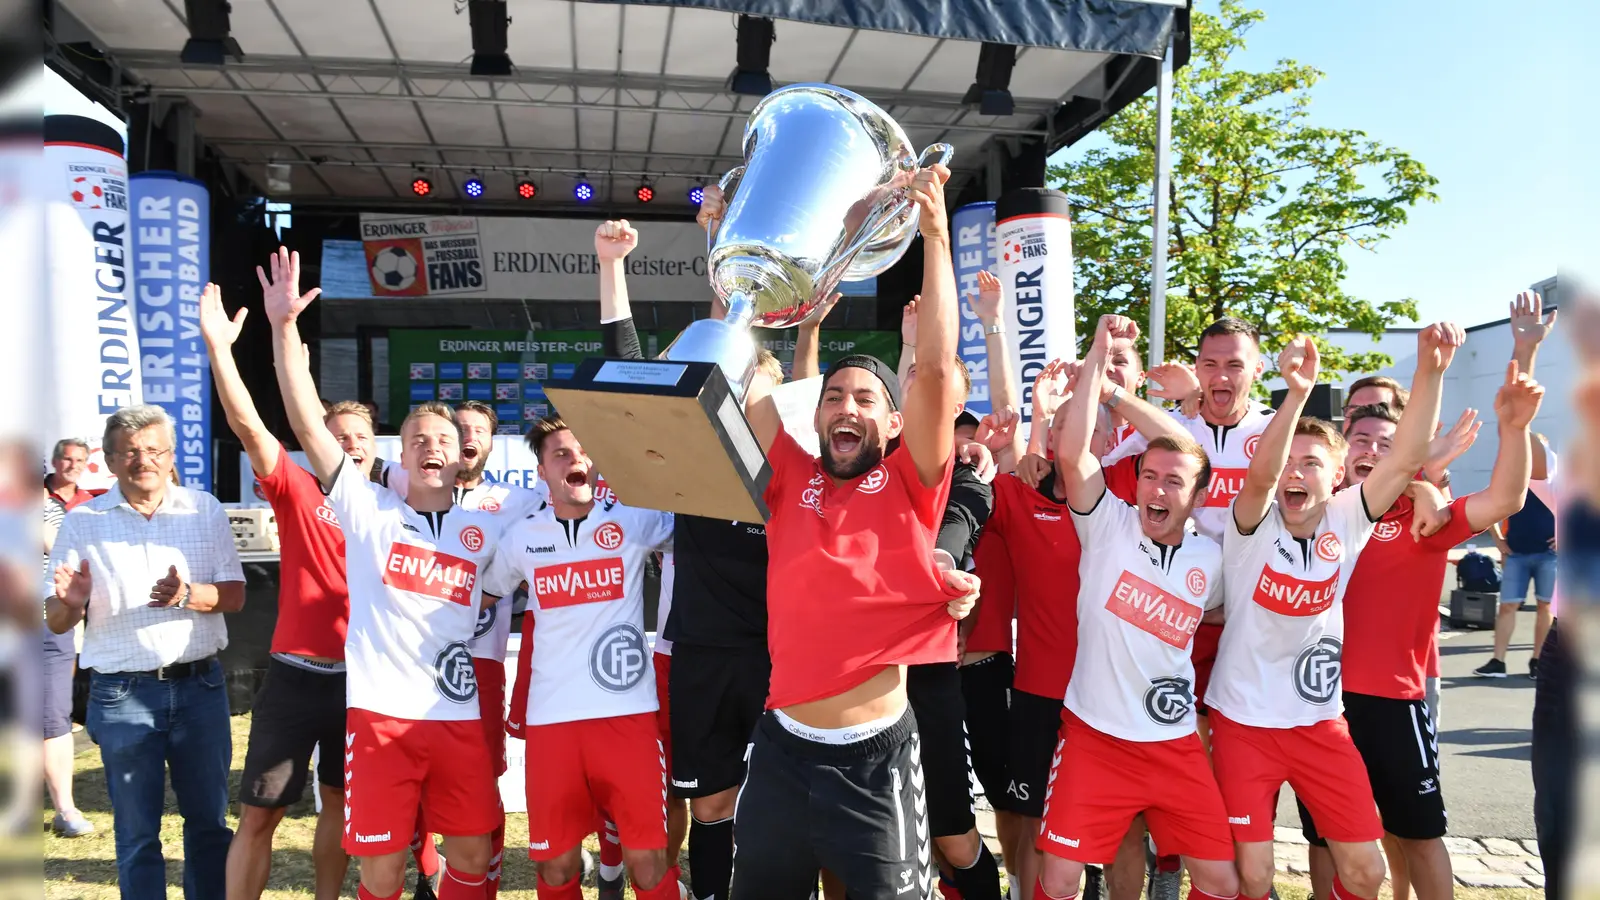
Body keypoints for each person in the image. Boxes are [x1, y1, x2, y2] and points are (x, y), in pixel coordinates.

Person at [729, 163, 980, 898]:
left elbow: (936, 368)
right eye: (835, 395)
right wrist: (762, 269)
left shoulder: (911, 480)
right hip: (780, 749)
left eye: (866, 398)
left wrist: (935, 235)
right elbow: (749, 372)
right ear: (816, 414)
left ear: (895, 423)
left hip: (875, 760)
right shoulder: (788, 474)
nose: (847, 406)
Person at [264, 246, 504, 900]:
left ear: (462, 457)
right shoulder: (368, 509)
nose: (432, 446)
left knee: (474, 855)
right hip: (379, 720)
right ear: (402, 454)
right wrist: (284, 330)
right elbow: (307, 424)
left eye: (443, 440)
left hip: (455, 716)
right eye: (419, 439)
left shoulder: (488, 529)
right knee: (383, 870)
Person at [1206, 325, 1460, 900]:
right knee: (1254, 876)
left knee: (1366, 872)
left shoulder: (1348, 518)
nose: (1295, 473)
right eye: (1288, 461)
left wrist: (1431, 371)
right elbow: (1261, 475)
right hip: (1243, 723)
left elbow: (1405, 458)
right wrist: (1297, 394)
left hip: (1319, 724)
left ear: (1338, 475)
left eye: (1312, 463)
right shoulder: (1253, 524)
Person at [594, 215, 776, 900]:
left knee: (777, 801)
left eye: (754, 386)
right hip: (697, 654)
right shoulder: (687, 466)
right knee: (704, 804)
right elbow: (628, 380)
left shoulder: (792, 475)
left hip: (777, 657)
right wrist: (612, 267)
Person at [1034, 313, 1236, 900]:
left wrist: (1118, 393)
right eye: (1149, 476)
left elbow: (1215, 612)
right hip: (1094, 736)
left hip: (1173, 742)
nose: (1157, 489)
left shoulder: (1211, 559)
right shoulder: (1108, 524)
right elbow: (1073, 454)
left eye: (1173, 481)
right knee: (1060, 879)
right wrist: (1098, 361)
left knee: (1223, 881)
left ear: (1198, 497)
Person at [200, 281, 370, 900]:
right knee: (260, 815)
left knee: (341, 808)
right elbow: (247, 424)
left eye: (360, 436)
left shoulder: (391, 507)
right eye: (337, 435)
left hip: (363, 682)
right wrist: (222, 350)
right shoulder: (298, 489)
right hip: (297, 677)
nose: (349, 445)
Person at [46, 404, 246, 900]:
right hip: (122, 694)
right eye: (131, 452)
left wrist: (187, 595)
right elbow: (55, 619)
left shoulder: (204, 509)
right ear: (110, 461)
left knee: (209, 825)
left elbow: (235, 596)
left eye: (155, 450)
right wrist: (71, 604)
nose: (144, 460)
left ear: (171, 456)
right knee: (137, 834)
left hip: (200, 689)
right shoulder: (84, 520)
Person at [483, 416, 680, 900]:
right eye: (561, 454)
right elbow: (482, 595)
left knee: (648, 864)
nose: (577, 460)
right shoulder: (522, 538)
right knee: (555, 867)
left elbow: (701, 529)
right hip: (553, 724)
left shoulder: (633, 521)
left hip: (628, 718)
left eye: (584, 452)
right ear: (542, 473)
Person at [382, 399, 544, 900]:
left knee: (482, 784)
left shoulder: (518, 500)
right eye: (462, 429)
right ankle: (427, 870)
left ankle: (483, 884)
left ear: (492, 443)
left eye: (480, 430)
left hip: (481, 663)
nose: (470, 437)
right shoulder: (407, 484)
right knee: (409, 784)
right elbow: (355, 462)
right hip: (411, 663)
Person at [1477, 291, 1560, 680]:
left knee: (1545, 607)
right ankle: (1499, 660)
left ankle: (1537, 660)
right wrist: (1524, 351)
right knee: (1509, 605)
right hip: (1520, 552)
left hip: (1551, 559)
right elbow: (1514, 422)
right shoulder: (1530, 475)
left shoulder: (1570, 482)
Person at [40, 437, 100, 839]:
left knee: (54, 717)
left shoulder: (50, 511)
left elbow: (63, 553)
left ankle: (65, 808)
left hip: (44, 625)